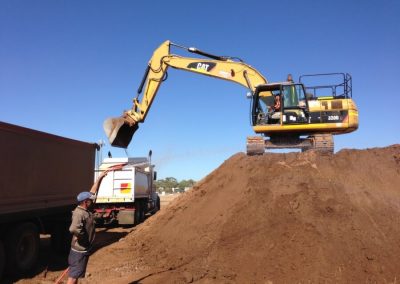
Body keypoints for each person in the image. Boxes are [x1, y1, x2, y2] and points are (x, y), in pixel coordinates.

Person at [67, 171, 108, 284]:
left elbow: (92, 191)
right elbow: (73, 229)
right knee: (73, 276)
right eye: (90, 200)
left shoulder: (86, 209)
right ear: (85, 202)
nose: (93, 200)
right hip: (79, 251)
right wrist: (83, 238)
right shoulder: (79, 213)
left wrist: (100, 177)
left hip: (81, 250)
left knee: (75, 273)